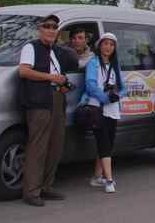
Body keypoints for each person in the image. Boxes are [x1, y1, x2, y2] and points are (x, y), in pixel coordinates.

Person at [17, 14, 72, 207]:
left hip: (57, 99)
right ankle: (31, 191)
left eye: (54, 27)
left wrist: (62, 83)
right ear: (40, 29)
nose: (51, 29)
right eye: (47, 26)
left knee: (55, 145)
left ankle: (46, 187)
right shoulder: (31, 47)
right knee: (38, 147)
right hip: (39, 102)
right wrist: (50, 77)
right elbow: (24, 71)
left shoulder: (56, 51)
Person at [81, 33, 126, 193]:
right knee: (104, 144)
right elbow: (90, 85)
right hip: (97, 109)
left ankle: (97, 177)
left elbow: (123, 87)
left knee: (107, 144)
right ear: (100, 45)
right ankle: (109, 180)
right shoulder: (93, 63)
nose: (108, 47)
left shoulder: (115, 65)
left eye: (111, 44)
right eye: (105, 44)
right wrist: (105, 98)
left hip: (112, 110)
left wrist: (117, 95)